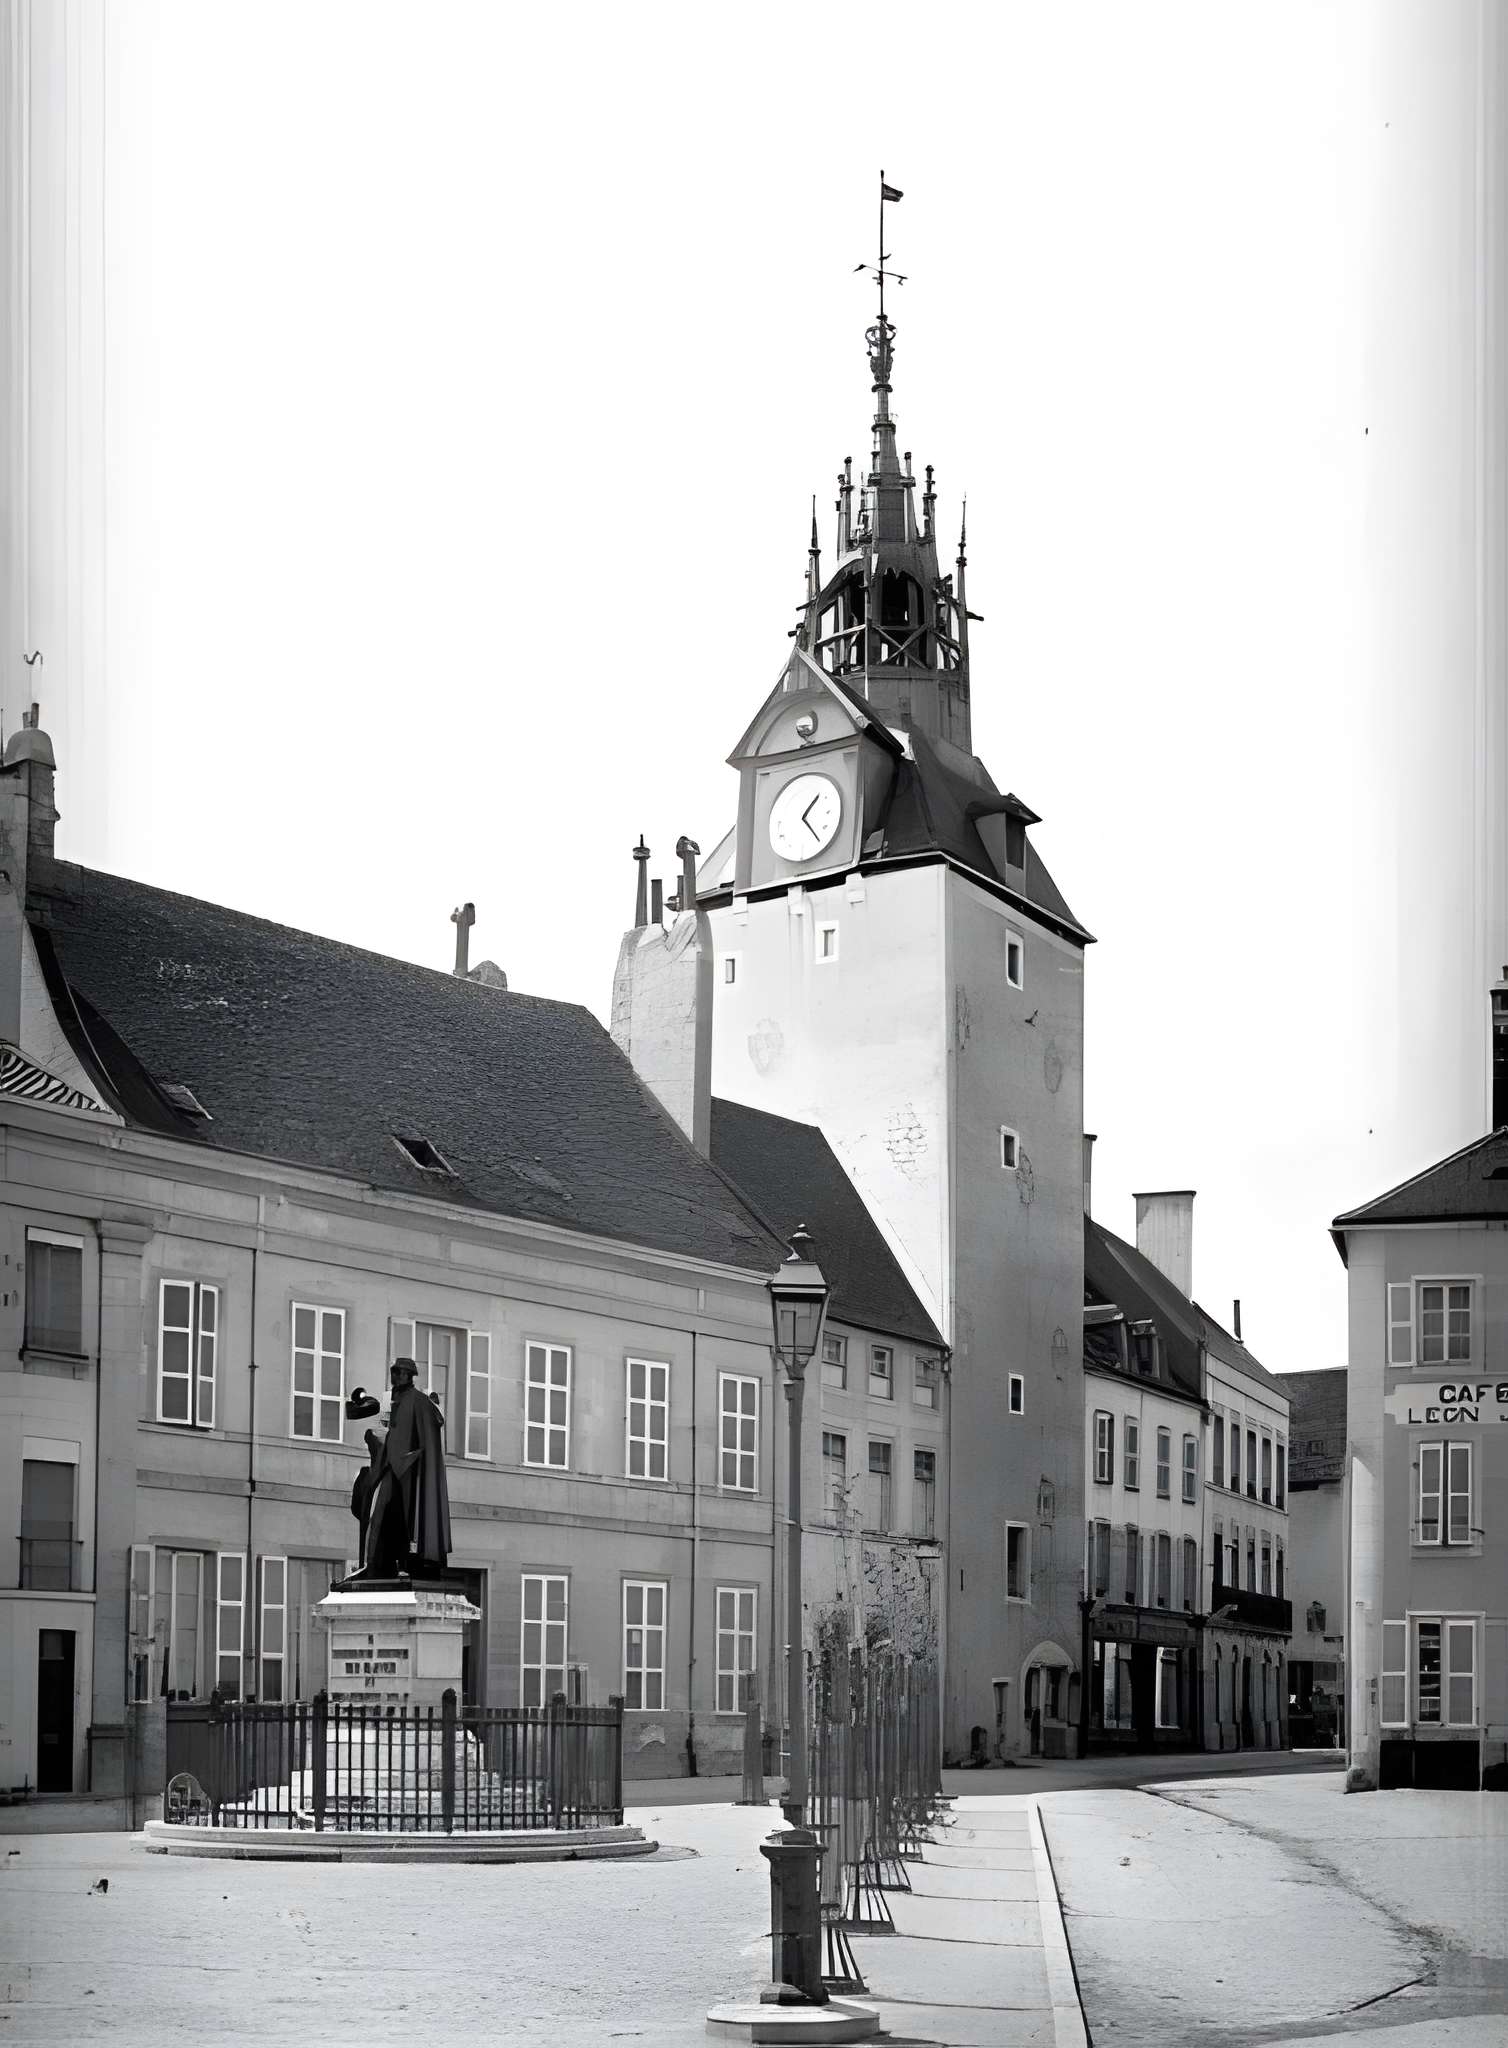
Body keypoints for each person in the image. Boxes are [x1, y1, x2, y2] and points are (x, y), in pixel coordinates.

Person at [343, 1359, 451, 1580]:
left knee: (401, 1517)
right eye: (393, 1372)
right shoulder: (393, 1400)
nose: (394, 1377)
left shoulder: (419, 1401)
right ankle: (377, 1563)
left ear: (408, 1375)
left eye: (398, 1373)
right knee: (377, 1509)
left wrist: (409, 1458)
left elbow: (430, 1429)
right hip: (391, 1465)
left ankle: (402, 1563)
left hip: (410, 1469)